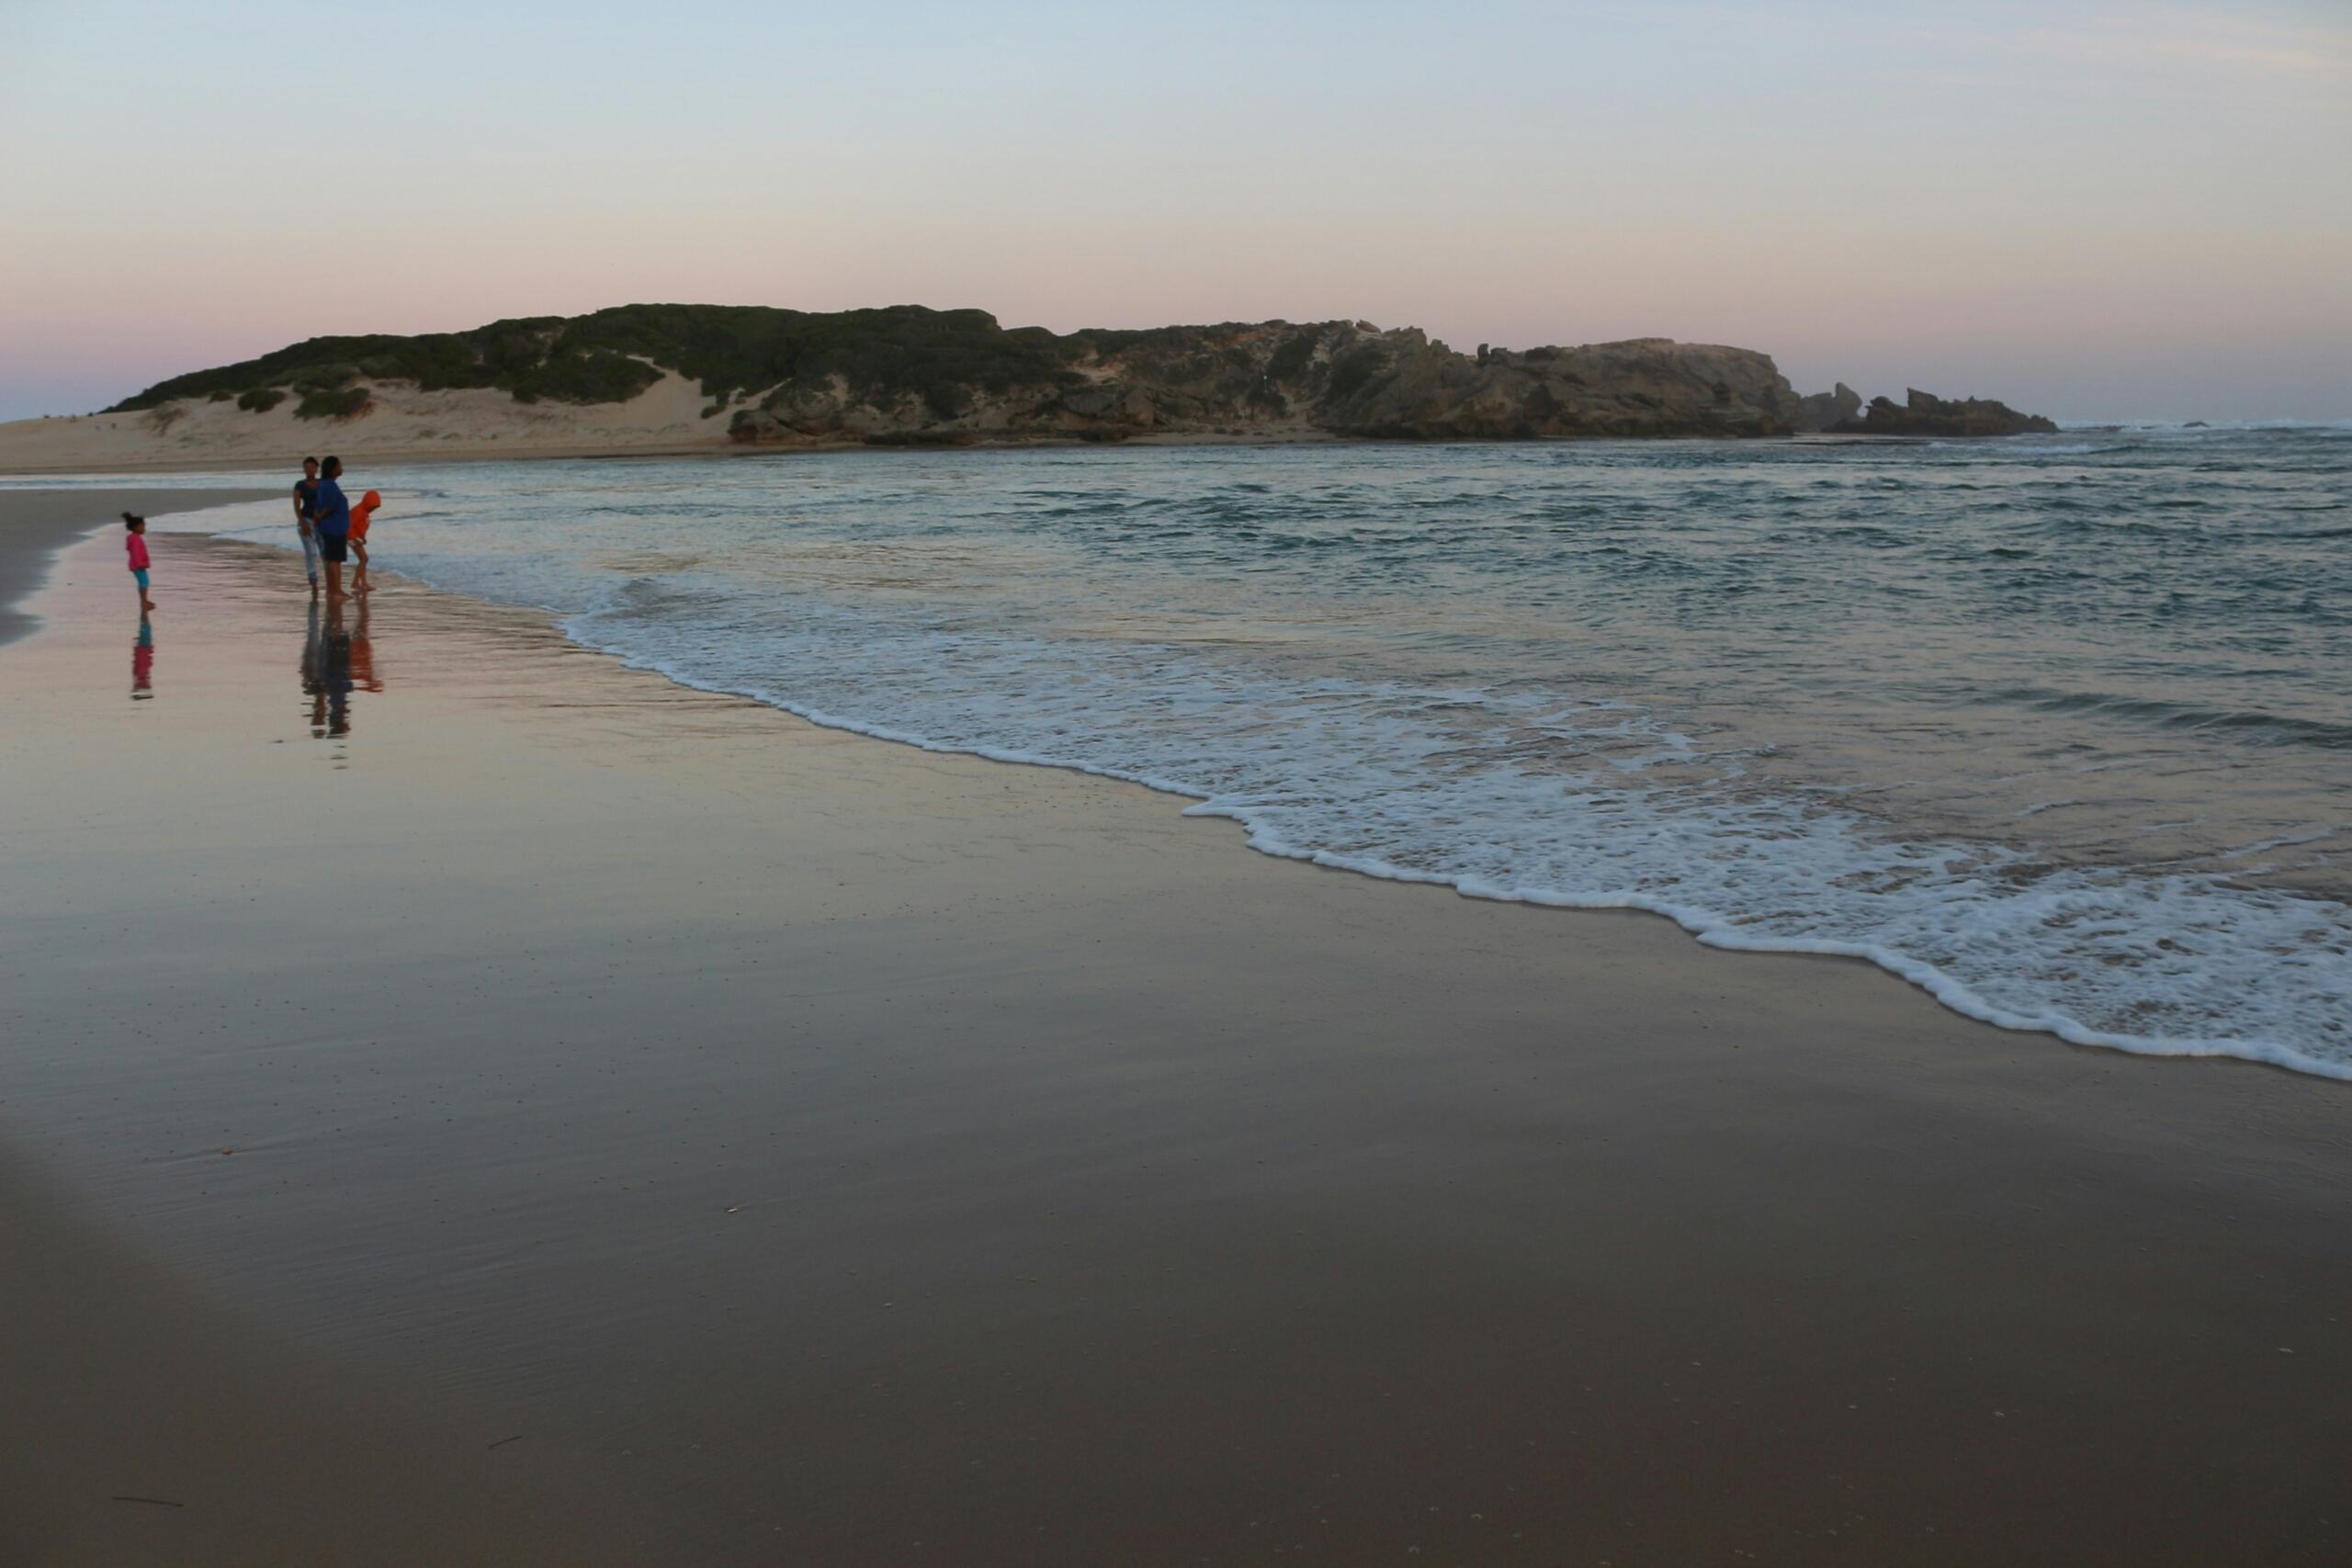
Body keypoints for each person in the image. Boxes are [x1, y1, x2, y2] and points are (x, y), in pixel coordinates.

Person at [311, 456, 352, 599]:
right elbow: (329, 506)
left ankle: (331, 591)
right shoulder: (330, 485)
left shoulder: (323, 484)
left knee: (331, 560)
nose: (342, 468)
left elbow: (317, 505)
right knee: (335, 561)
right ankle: (336, 591)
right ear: (333, 469)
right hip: (334, 528)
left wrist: (318, 518)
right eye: (340, 465)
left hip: (329, 528)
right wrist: (320, 517)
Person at [293, 457, 322, 593]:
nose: (309, 470)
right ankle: (313, 581)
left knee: (325, 552)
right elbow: (297, 505)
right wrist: (302, 522)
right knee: (311, 552)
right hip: (307, 520)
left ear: (317, 468)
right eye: (306, 467)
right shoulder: (300, 485)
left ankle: (331, 581)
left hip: (322, 521)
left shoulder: (322, 483)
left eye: (312, 467)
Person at [348, 489, 381, 593]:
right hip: (350, 537)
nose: (373, 509)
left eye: (375, 507)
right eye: (372, 506)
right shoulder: (358, 511)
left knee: (363, 559)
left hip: (357, 538)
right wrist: (354, 538)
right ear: (367, 502)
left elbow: (361, 527)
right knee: (364, 559)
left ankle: (363, 583)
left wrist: (362, 538)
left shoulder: (365, 512)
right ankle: (355, 582)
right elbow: (349, 526)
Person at [122, 512, 155, 612]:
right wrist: (140, 564)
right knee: (144, 582)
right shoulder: (135, 539)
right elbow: (135, 553)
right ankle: (143, 601)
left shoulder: (134, 538)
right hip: (138, 565)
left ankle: (144, 600)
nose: (144, 528)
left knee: (144, 582)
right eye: (142, 526)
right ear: (135, 527)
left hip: (138, 565)